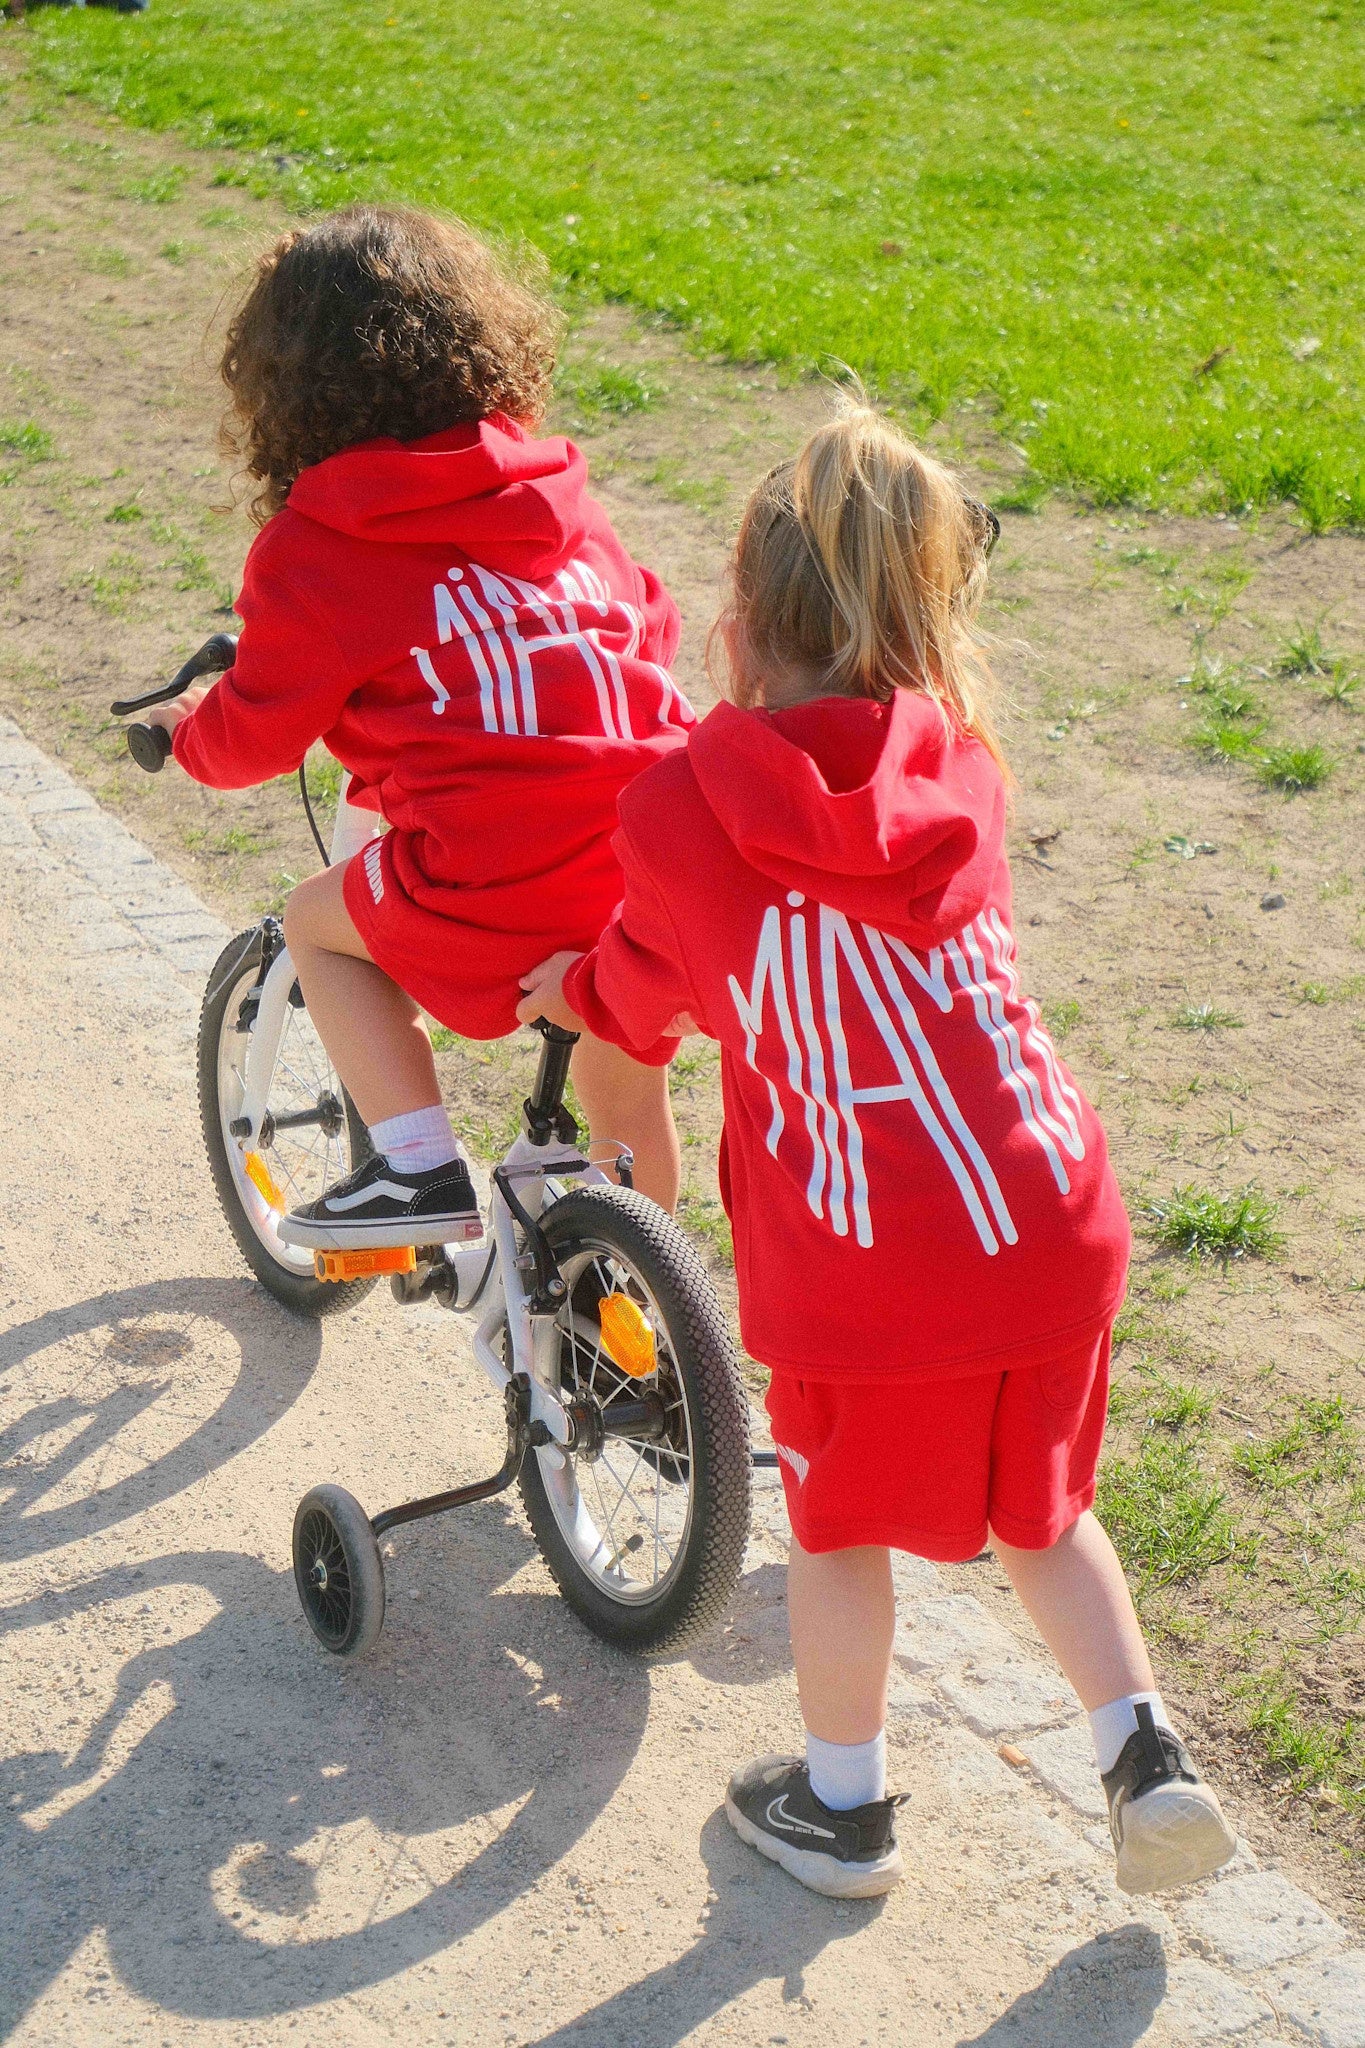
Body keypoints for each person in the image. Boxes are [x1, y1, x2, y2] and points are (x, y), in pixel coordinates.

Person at [516, 404, 1237, 1901]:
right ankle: (1144, 1753)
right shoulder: (959, 769)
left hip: (866, 1254)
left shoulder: (679, 812)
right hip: (1051, 1214)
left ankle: (841, 1809)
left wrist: (570, 992)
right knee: (1046, 1511)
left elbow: (639, 992)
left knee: (837, 1530)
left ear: (737, 623)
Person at [149, 205, 690, 1244]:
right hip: (650, 857)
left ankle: (415, 1169)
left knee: (319, 924)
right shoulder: (555, 489)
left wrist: (187, 735)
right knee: (627, 1097)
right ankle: (639, 1303)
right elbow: (649, 624)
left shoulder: (320, 548)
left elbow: (256, 731)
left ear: (286, 383)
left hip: (497, 874)